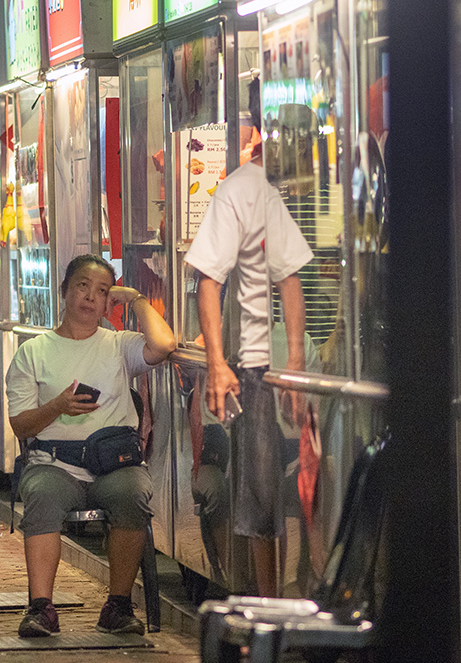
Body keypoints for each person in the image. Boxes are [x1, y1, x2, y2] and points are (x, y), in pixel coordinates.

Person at [6, 254, 176, 637]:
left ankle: (117, 605)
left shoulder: (119, 345)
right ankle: (41, 608)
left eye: (101, 291)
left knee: (133, 491)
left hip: (114, 464)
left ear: (107, 303)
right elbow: (20, 423)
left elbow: (164, 344)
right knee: (42, 495)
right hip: (53, 462)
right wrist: (58, 406)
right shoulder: (34, 352)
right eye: (82, 285)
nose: (90, 297)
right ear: (64, 290)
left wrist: (134, 299)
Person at [184, 142, 313, 598]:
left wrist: (296, 360)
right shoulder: (239, 191)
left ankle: (289, 597)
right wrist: (218, 363)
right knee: (260, 494)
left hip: (278, 370)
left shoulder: (275, 195)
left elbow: (290, 278)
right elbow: (208, 279)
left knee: (294, 487)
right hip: (252, 368)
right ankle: (268, 603)